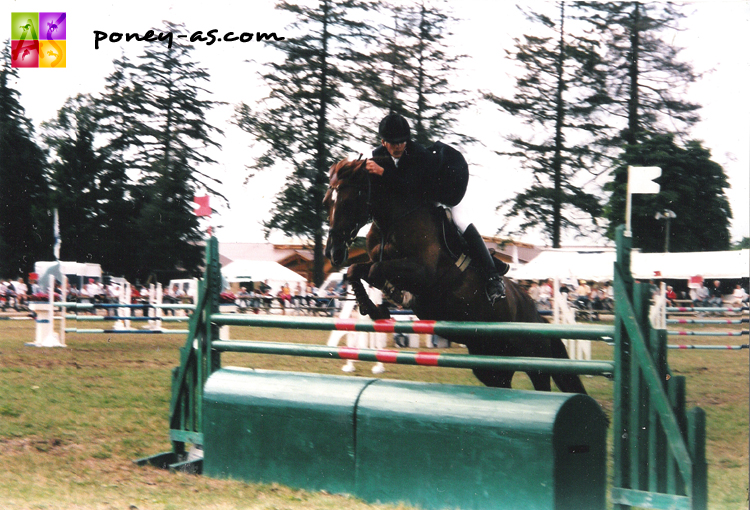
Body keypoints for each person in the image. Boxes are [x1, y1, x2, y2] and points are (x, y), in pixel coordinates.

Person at [365, 112, 509, 304]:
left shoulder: (418, 153)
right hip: (418, 199)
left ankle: (493, 278)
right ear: (383, 142)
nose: (398, 146)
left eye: (402, 141)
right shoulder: (378, 156)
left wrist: (383, 173)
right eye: (393, 142)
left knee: (460, 222)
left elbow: (411, 187)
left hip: (445, 191)